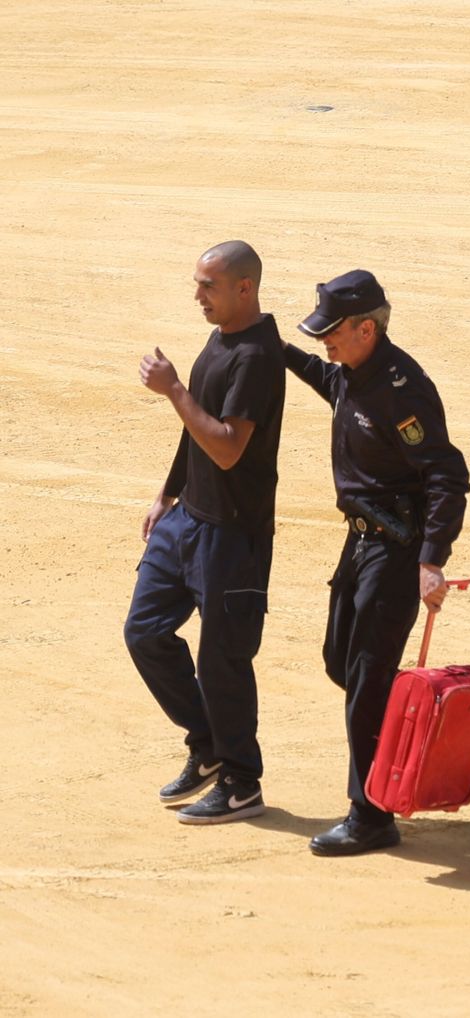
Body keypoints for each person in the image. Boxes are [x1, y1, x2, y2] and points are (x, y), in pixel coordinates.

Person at [283, 269, 470, 856]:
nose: (325, 344)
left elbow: (447, 475)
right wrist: (280, 350)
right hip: (361, 542)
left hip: (395, 551)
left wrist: (431, 559)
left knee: (365, 682)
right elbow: (331, 382)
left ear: (367, 328)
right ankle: (446, 730)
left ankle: (369, 816)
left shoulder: (402, 389)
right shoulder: (354, 371)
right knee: (341, 663)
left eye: (332, 333)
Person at [124, 241, 285, 824]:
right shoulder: (221, 337)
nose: (197, 296)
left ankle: (242, 782)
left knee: (224, 661)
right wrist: (166, 493)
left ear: (245, 287)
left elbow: (225, 446)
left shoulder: (258, 355)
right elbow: (196, 430)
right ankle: (209, 743)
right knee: (144, 632)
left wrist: (172, 389)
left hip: (233, 536)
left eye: (207, 286)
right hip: (188, 518)